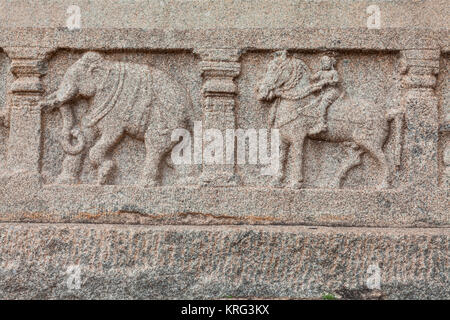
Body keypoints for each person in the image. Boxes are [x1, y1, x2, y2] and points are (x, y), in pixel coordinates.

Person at [308, 55, 340, 135]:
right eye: (324, 62)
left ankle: (322, 124)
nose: (326, 63)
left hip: (332, 91)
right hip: (323, 92)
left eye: (328, 61)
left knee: (323, 104)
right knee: (312, 104)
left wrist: (327, 81)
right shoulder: (321, 72)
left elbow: (335, 81)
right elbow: (312, 78)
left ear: (331, 63)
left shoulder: (334, 72)